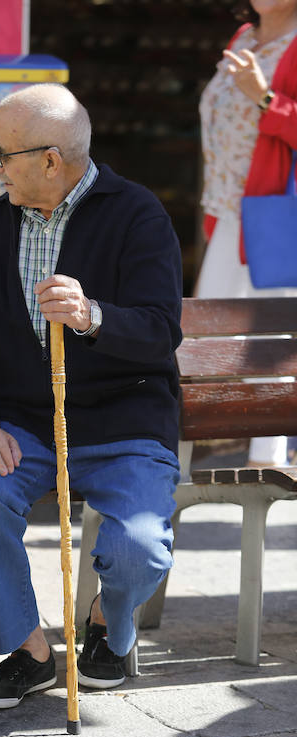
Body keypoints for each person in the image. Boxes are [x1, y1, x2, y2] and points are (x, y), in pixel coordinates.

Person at [0, 83, 182, 709]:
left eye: (1, 152)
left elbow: (160, 332)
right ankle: (28, 649)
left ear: (50, 160)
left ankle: (108, 624)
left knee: (138, 549)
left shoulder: (136, 213)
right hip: (26, 423)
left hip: (126, 423)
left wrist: (92, 316)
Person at [197, 0, 297, 467]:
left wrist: (264, 96)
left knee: (269, 342)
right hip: (228, 208)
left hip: (275, 213)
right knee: (201, 341)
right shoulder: (243, 36)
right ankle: (173, 459)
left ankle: (268, 461)